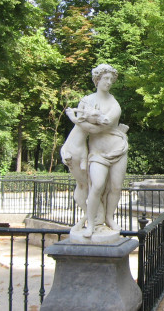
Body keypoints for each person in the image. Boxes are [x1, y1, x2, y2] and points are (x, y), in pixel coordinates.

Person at [64, 64, 129, 238]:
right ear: (97, 79)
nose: (109, 82)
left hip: (118, 148)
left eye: (111, 79)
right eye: (105, 78)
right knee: (97, 185)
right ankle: (92, 223)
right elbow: (83, 130)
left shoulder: (114, 104)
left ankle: (109, 218)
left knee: (115, 187)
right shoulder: (86, 101)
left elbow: (96, 129)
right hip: (97, 152)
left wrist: (74, 119)